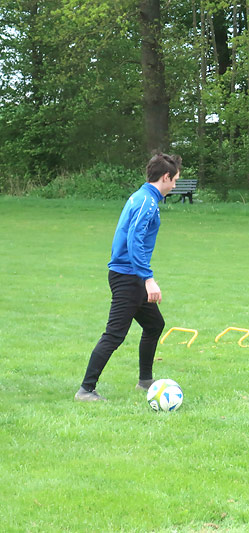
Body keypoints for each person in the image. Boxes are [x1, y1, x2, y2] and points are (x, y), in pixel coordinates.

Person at [75, 153, 182, 401]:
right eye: (174, 180)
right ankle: (86, 390)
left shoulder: (142, 196)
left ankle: (145, 382)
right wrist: (148, 278)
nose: (175, 185)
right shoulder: (147, 202)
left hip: (129, 274)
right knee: (114, 334)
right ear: (165, 177)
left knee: (155, 324)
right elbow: (134, 241)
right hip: (128, 276)